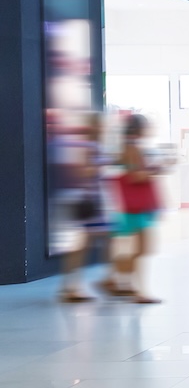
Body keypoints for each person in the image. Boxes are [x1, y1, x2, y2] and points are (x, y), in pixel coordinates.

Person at [58, 113, 114, 303]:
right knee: (86, 244)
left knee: (88, 243)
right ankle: (71, 287)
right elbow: (84, 171)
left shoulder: (89, 146)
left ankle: (71, 286)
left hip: (91, 202)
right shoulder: (89, 147)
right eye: (100, 125)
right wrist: (99, 165)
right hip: (89, 203)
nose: (103, 129)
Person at [110, 114, 163, 304]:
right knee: (143, 248)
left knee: (141, 248)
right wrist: (154, 170)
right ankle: (134, 287)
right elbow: (134, 176)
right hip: (136, 207)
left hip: (133, 206)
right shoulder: (131, 148)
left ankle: (120, 280)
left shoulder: (129, 147)